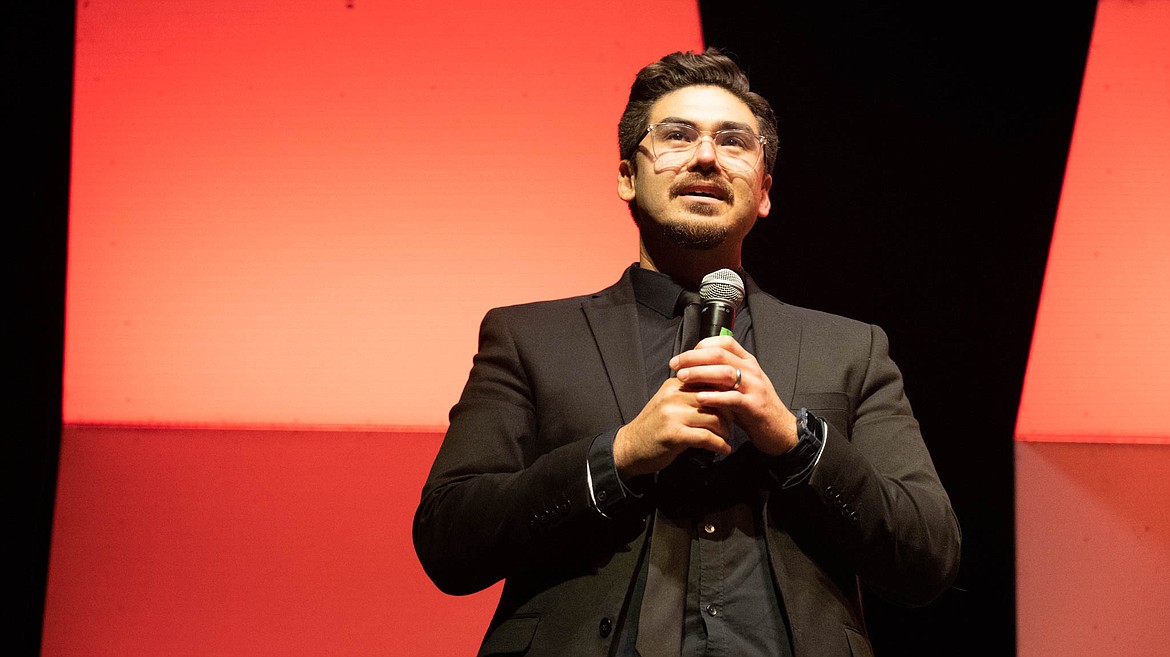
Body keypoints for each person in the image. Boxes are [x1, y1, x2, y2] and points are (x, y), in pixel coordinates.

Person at [413, 49, 960, 657]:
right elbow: (448, 539)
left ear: (765, 191)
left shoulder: (852, 349)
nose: (705, 156)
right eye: (675, 136)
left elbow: (928, 556)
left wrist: (795, 441)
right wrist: (619, 456)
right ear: (627, 176)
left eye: (733, 142)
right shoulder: (530, 338)